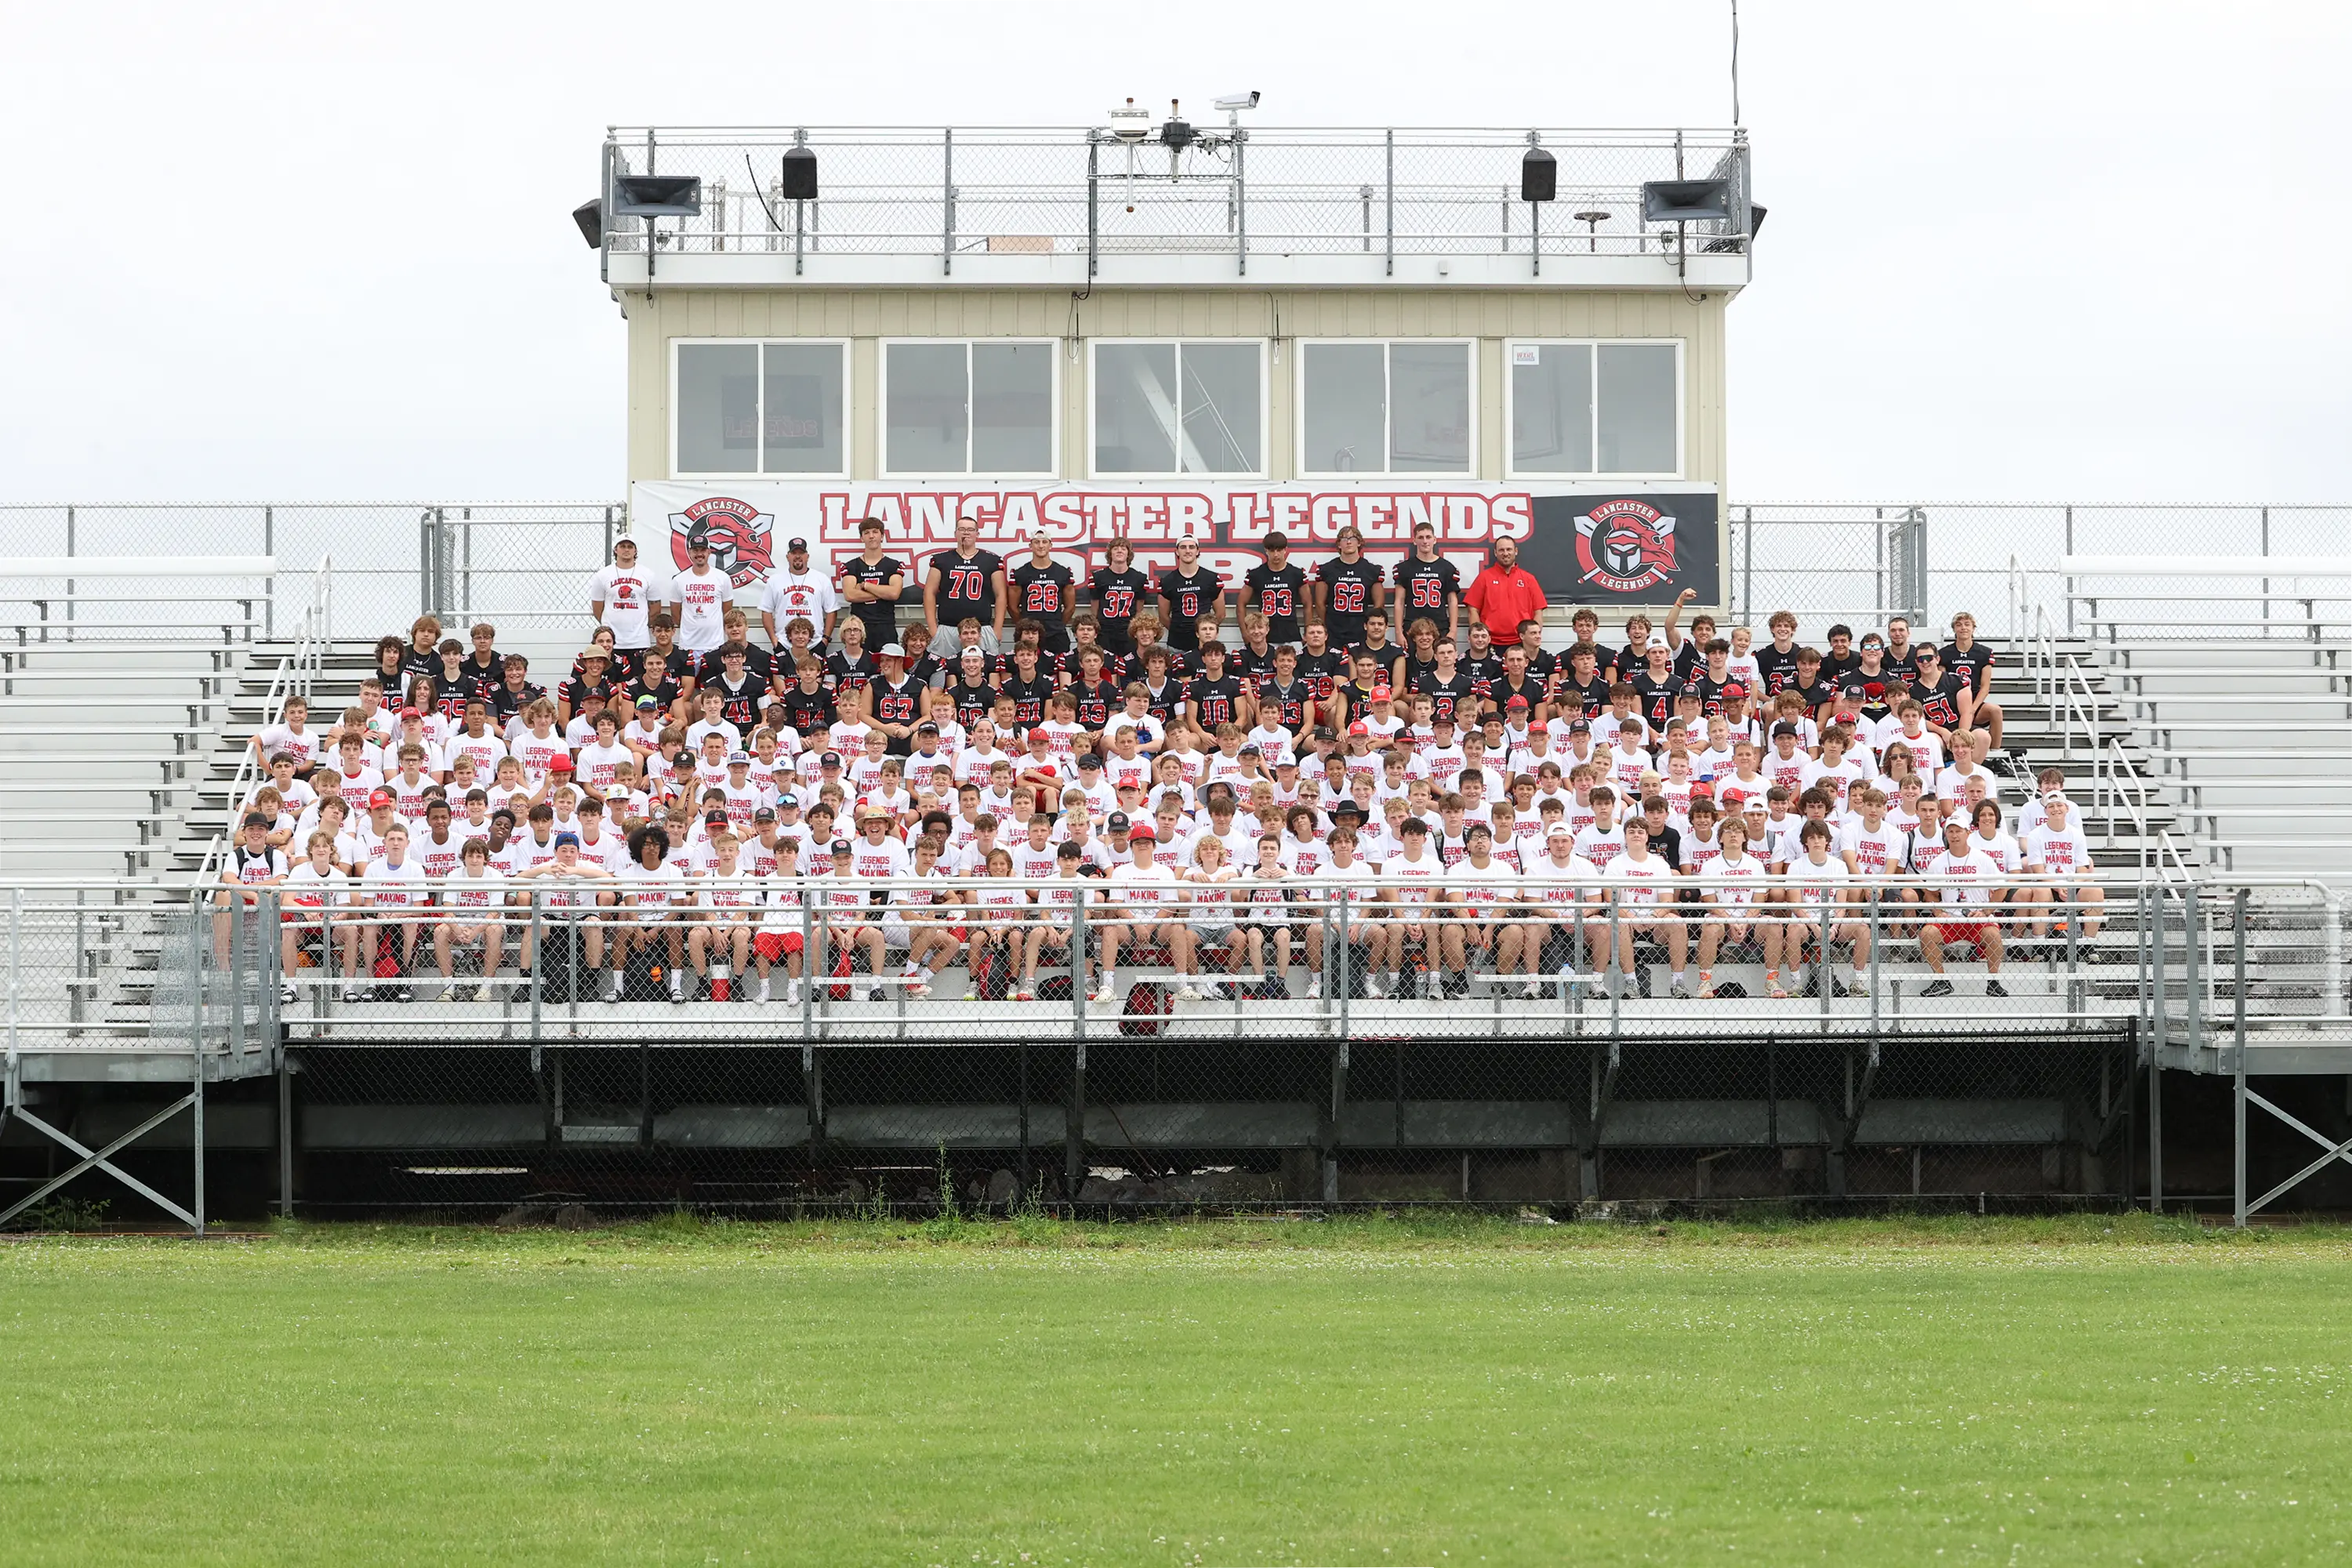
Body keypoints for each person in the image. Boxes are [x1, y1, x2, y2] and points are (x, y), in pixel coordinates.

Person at [1916, 818, 2007, 997]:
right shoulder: (1938, 862)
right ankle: (1941, 981)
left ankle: (1994, 981)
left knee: (1994, 935)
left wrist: (1985, 911)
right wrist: (1938, 912)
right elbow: (1930, 892)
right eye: (1950, 831)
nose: (1954, 835)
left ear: (1968, 833)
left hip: (1976, 918)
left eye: (1959, 831)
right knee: (1927, 933)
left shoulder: (1982, 859)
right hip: (1951, 919)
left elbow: (2001, 889)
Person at [431, 837, 508, 1000]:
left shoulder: (495, 875)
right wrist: (459, 930)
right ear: (463, 858)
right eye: (470, 856)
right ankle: (449, 988)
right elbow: (448, 908)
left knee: (494, 929)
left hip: (486, 923)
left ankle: (486, 988)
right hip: (460, 921)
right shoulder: (454, 875)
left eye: (479, 856)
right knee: (440, 931)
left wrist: (474, 932)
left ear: (485, 859)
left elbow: (494, 912)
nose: (474, 860)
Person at [924, 517, 1006, 648]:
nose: (966, 533)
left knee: (983, 667)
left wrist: (997, 628)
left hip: (981, 628)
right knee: (944, 668)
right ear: (955, 533)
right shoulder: (941, 560)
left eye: (970, 530)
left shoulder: (992, 561)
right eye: (962, 529)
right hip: (948, 627)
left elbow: (1001, 595)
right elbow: (929, 592)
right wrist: (933, 627)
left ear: (977, 534)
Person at [836, 517, 907, 653]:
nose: (871, 536)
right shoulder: (851, 566)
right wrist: (883, 592)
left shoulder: (893, 565)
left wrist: (866, 585)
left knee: (888, 667)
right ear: (861, 538)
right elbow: (850, 595)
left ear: (882, 536)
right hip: (859, 627)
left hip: (885, 626)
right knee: (862, 667)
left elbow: (894, 594)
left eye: (875, 532)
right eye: (867, 532)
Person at [757, 535, 839, 648]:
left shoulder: (821, 579)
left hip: (814, 643)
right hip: (785, 644)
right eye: (794, 553)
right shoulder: (774, 581)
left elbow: (831, 611)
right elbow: (766, 611)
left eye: (801, 553)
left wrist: (825, 640)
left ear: (807, 556)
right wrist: (774, 640)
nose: (798, 556)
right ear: (788, 557)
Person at [1463, 535, 1546, 646]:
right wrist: (1480, 637)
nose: (1505, 553)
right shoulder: (1484, 577)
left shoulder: (1529, 579)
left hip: (1521, 642)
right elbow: (1473, 610)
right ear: (1495, 553)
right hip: (1491, 642)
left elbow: (1538, 612)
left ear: (1515, 551)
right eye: (1501, 550)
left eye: (1509, 549)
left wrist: (1532, 637)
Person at [589, 536, 665, 654]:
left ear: (635, 551)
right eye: (622, 546)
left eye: (630, 547)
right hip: (610, 642)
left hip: (639, 641)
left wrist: (641, 626)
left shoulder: (648, 575)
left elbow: (655, 609)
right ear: (615, 550)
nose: (626, 550)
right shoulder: (603, 575)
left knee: (639, 673)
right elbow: (597, 608)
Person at [1392, 520, 1462, 644]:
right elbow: (1399, 601)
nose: (1425, 541)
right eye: (1421, 537)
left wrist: (1453, 630)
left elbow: (1452, 601)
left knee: (1441, 661)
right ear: (1414, 541)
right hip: (1413, 627)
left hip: (1439, 625)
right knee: (1412, 663)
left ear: (1435, 540)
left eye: (1428, 537)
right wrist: (1398, 632)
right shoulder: (1405, 568)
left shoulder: (1446, 568)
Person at [1006, 531, 1076, 653]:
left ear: (1050, 545)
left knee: (1060, 668)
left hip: (1055, 633)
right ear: (1030, 546)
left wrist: (1058, 624)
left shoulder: (1062, 573)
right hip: (1030, 634)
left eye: (1044, 542)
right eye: (1036, 542)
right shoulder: (1021, 573)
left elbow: (1070, 607)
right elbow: (1012, 607)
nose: (1041, 545)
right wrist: (1025, 626)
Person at [667, 531, 735, 654]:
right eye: (695, 550)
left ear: (709, 552)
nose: (699, 554)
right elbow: (676, 614)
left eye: (703, 550)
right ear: (689, 552)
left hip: (715, 645)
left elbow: (727, 612)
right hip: (688, 645)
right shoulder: (679, 580)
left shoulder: (723, 578)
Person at [1240, 532, 1309, 647]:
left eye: (1279, 550)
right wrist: (1245, 633)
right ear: (1266, 551)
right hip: (1265, 636)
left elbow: (1308, 604)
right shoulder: (1256, 575)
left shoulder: (1296, 574)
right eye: (1272, 551)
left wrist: (1307, 630)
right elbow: (1241, 603)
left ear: (1285, 550)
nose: (1276, 555)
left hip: (1291, 634)